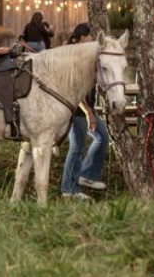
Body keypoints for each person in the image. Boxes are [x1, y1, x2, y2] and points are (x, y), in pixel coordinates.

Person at [60, 23, 108, 200]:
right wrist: (88, 112)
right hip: (76, 111)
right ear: (81, 38)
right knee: (77, 147)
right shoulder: (72, 57)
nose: (91, 39)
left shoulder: (84, 56)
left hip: (88, 108)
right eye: (88, 36)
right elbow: (73, 88)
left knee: (102, 138)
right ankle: (68, 189)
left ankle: (87, 175)